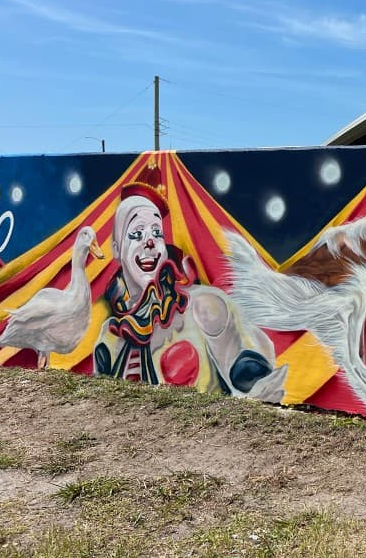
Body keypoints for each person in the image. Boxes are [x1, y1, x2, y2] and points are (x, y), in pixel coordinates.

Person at [93, 164, 286, 402]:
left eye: (157, 232)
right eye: (136, 234)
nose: (150, 242)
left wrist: (256, 381)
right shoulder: (110, 337)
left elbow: (242, 362)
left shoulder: (201, 306)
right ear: (116, 249)